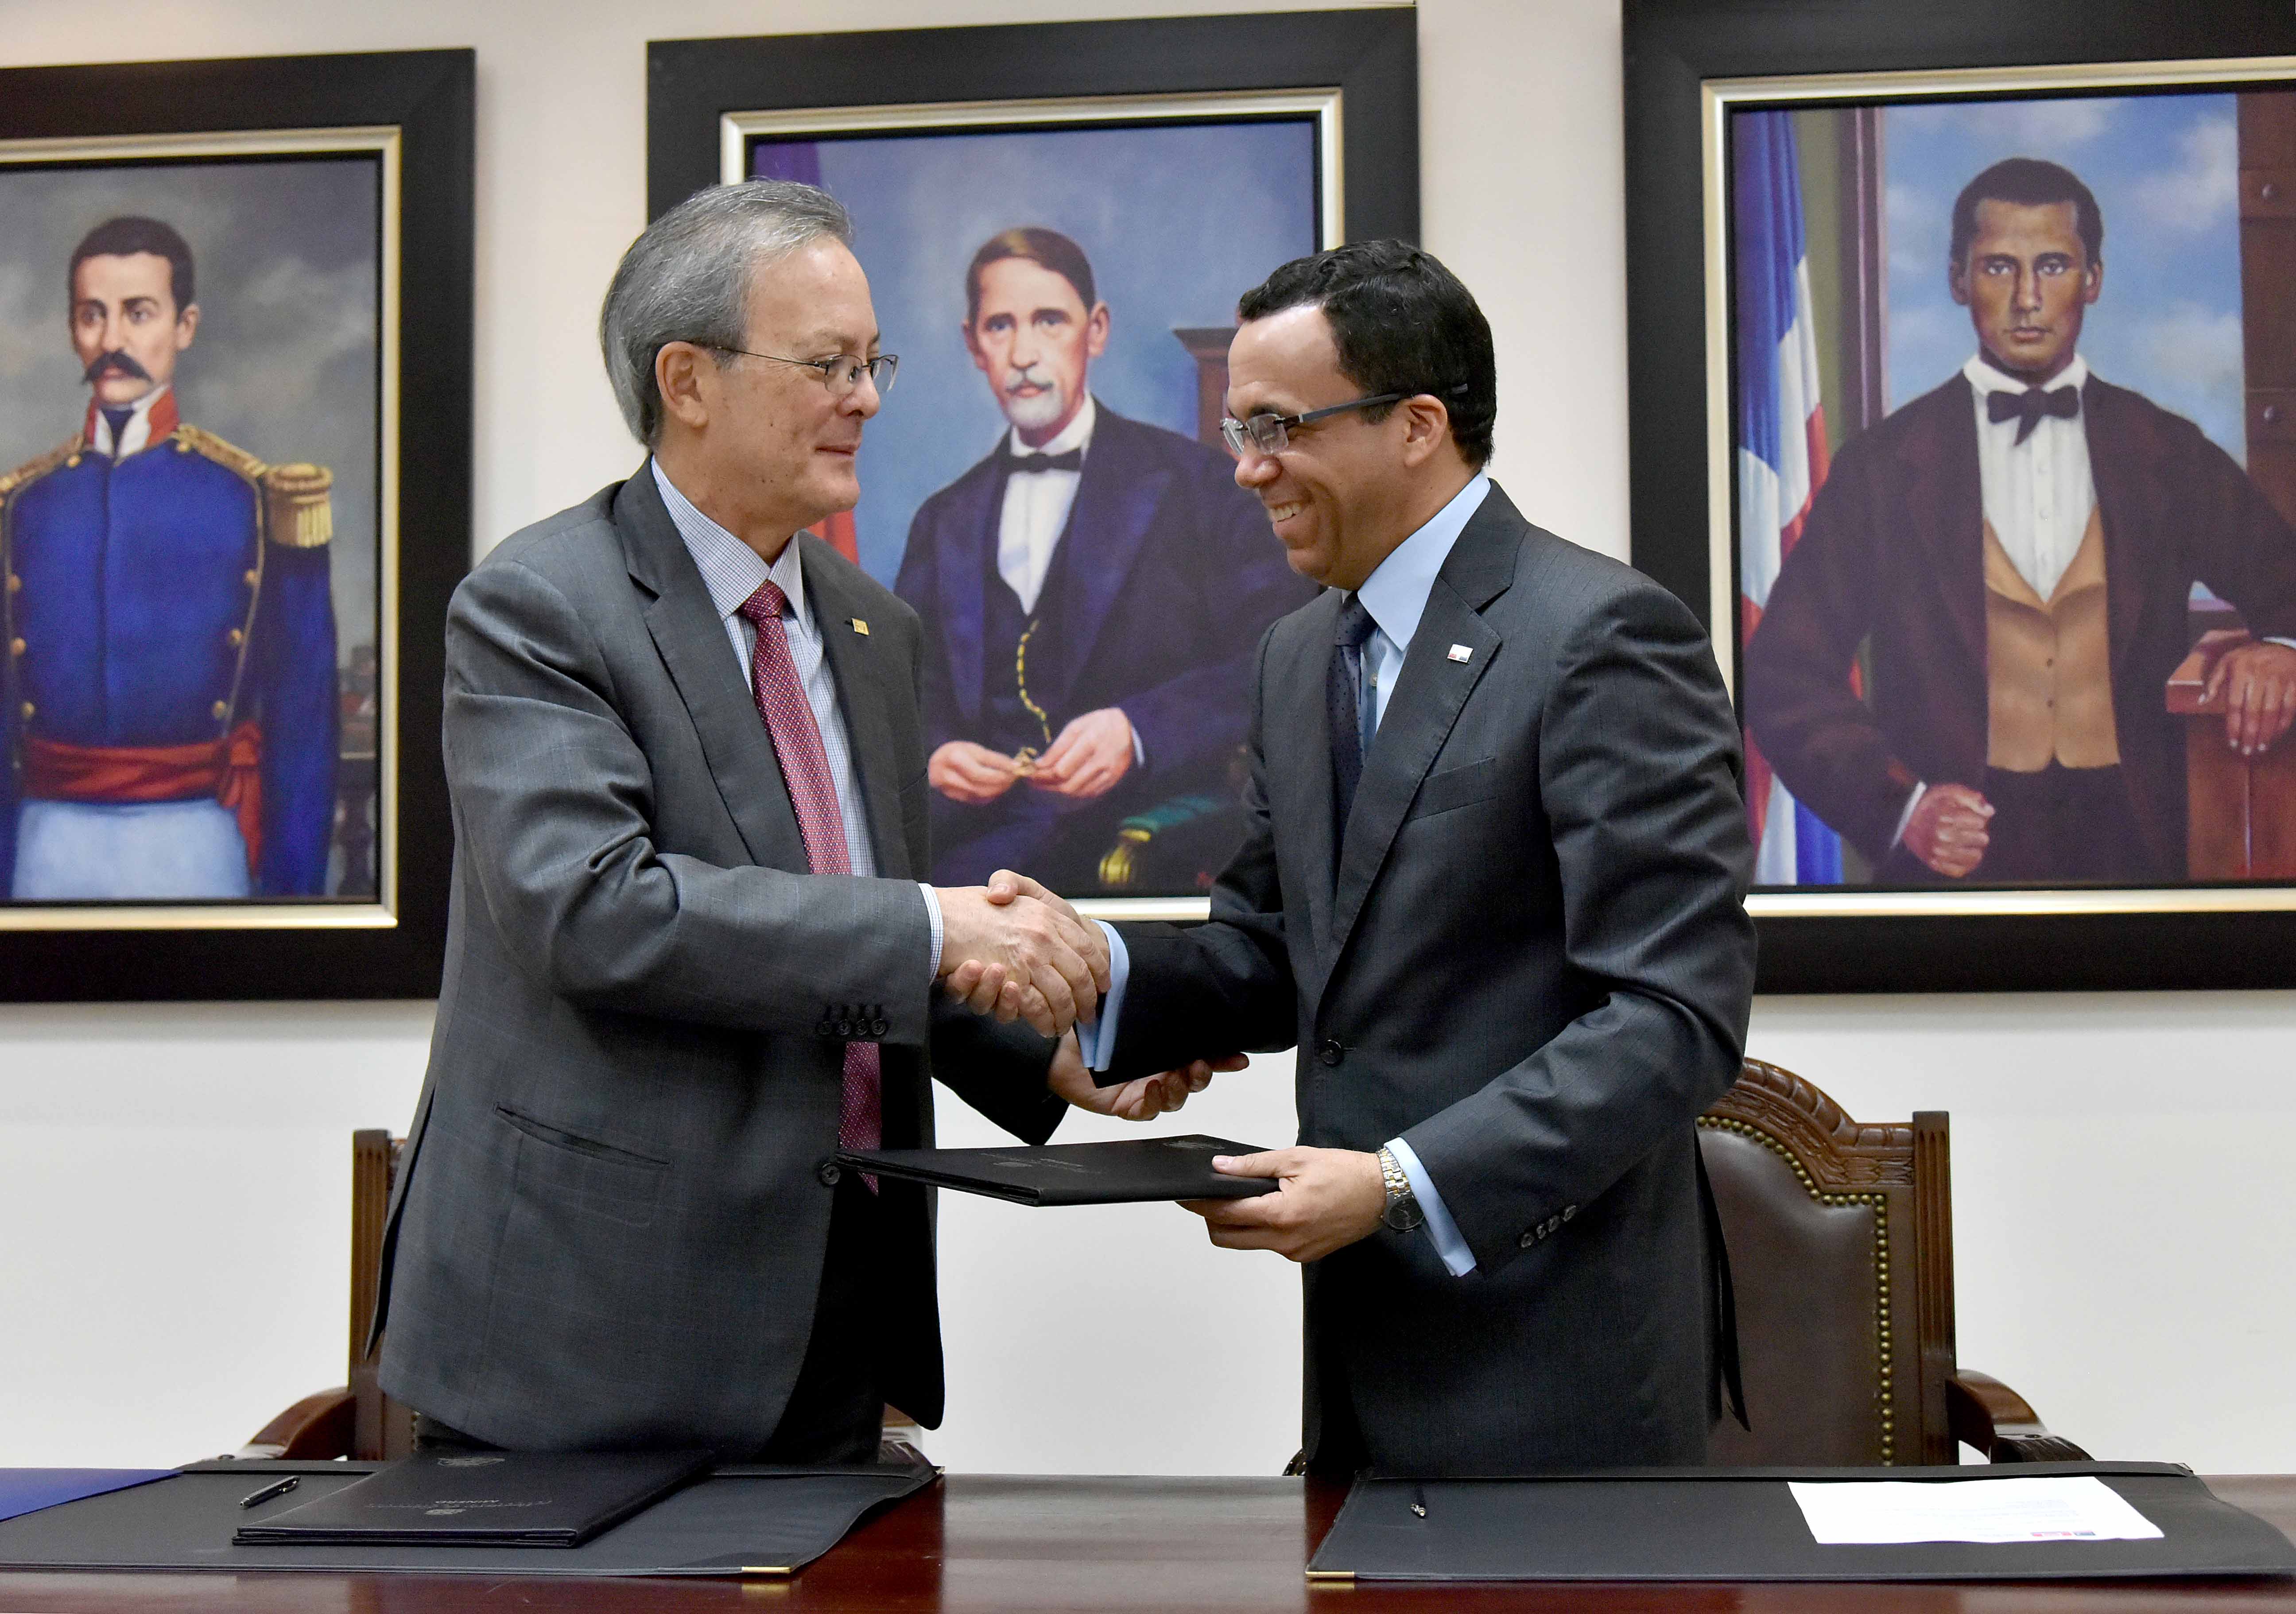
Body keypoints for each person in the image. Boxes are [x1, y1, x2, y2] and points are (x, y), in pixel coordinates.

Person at [372, 182, 1199, 1460]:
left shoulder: (876, 630)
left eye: (873, 363)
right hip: (585, 1326)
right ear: (687, 380)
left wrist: (1044, 1053)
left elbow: (852, 931)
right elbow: (593, 912)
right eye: (827, 365)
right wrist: (942, 929)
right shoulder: (539, 605)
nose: (865, 398)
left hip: (834, 1311)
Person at [997, 241, 1757, 1476]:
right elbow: (1273, 946)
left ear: (1416, 426)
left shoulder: (1600, 636)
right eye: (1240, 428)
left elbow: (1674, 1017)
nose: (1246, 467)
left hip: (1559, 1360)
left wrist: (1401, 1184)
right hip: (1362, 1350)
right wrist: (1092, 968)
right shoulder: (1297, 654)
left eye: (1278, 427)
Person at [1745, 157, 2296, 884]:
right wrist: (1902, 807)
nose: (2028, 299)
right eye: (1999, 267)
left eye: (2054, 266)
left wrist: (2282, 646)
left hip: (2140, 848)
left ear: (2093, 279)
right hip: (1953, 862)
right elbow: (1783, 671)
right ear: (1957, 280)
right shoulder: (1882, 468)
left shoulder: (2166, 451)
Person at [895, 227, 1312, 892]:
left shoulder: (1201, 489)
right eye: (1001, 326)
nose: (1024, 354)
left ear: (1095, 330)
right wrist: (937, 752)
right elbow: (909, 687)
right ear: (974, 345)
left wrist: (1137, 731)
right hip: (969, 838)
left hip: (1135, 830)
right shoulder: (943, 518)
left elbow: (1275, 660)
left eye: (1049, 321)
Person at [0, 215, 338, 900]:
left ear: (185, 326)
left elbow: (304, 718)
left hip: (200, 845)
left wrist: (292, 901)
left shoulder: (254, 498)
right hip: (42, 849)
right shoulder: (23, 506)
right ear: (72, 329)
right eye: (92, 315)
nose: (112, 342)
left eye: (138, 313)